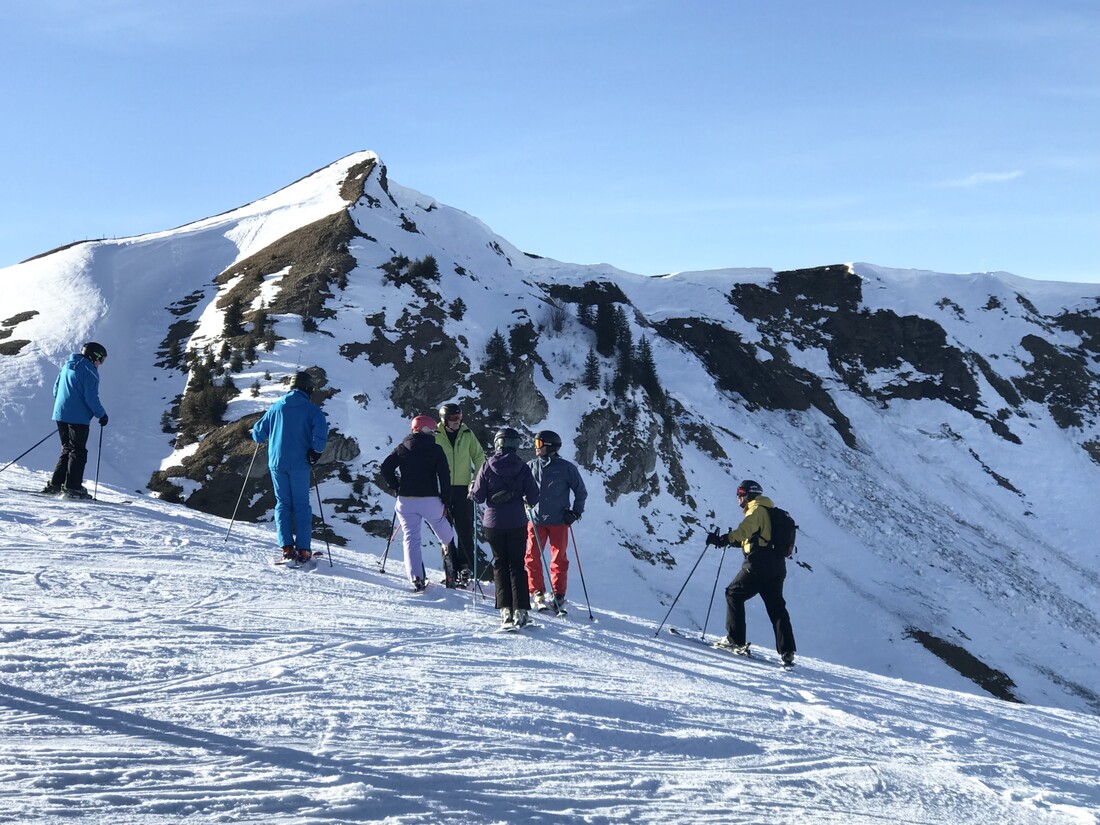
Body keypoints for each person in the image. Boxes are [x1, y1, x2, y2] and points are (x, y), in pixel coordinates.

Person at [706, 479, 797, 666]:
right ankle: (787, 651)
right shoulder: (771, 512)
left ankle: (735, 641)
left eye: (741, 492)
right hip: (777, 566)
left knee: (733, 593)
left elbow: (743, 531)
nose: (738, 496)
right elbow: (754, 537)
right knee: (777, 607)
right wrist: (732, 541)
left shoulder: (757, 510)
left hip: (758, 564)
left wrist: (722, 539)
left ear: (750, 494)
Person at [251, 371, 328, 563]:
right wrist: (315, 452)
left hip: (277, 462)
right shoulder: (311, 409)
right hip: (300, 463)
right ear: (308, 388)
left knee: (283, 503)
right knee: (301, 505)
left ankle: (286, 547)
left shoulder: (277, 407)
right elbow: (321, 433)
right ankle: (303, 550)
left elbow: (258, 433)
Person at [470, 427, 539, 629]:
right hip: (517, 522)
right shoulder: (523, 467)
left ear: (497, 443)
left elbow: (478, 496)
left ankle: (505, 611)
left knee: (499, 564)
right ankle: (521, 611)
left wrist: (471, 489)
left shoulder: (487, 466)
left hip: (493, 524)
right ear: (515, 444)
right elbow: (534, 496)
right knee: (517, 565)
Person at [381, 414, 456, 592]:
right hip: (430, 500)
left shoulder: (401, 448)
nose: (433, 434)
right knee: (445, 532)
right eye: (431, 431)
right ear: (424, 430)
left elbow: (385, 467)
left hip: (405, 501)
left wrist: (396, 486)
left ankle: (416, 578)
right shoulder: (436, 450)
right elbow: (445, 476)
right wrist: (447, 499)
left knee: (411, 538)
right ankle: (446, 548)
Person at [525, 429, 587, 613]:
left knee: (559, 558)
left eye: (538, 444)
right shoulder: (530, 466)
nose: (535, 448)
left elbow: (580, 492)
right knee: (532, 556)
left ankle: (558, 593)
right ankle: (537, 591)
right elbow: (521, 488)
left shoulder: (567, 468)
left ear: (549, 447)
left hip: (559, 521)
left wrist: (575, 513)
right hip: (535, 520)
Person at [45, 342, 109, 499]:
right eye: (101, 360)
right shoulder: (90, 372)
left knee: (67, 449)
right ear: (94, 356)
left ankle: (56, 484)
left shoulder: (67, 365)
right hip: (78, 419)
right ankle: (73, 488)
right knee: (78, 452)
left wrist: (66, 409)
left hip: (60, 414)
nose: (100, 364)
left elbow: (56, 389)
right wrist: (102, 415)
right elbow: (91, 398)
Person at [434, 402, 487, 584]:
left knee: (465, 529)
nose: (457, 421)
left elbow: (479, 457)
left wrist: (475, 479)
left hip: (464, 489)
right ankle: (450, 568)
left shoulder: (467, 433)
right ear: (444, 419)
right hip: (443, 489)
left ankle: (464, 568)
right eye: (453, 418)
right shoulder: (435, 435)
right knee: (445, 531)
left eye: (459, 417)